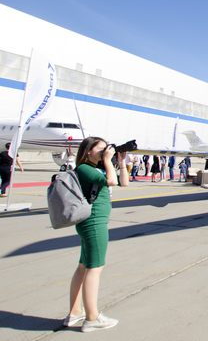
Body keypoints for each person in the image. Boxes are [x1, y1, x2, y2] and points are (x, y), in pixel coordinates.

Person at [64, 137, 128, 332]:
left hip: (94, 222)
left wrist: (122, 162)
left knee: (84, 266)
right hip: (93, 223)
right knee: (95, 268)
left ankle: (75, 312)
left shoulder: (96, 168)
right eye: (101, 149)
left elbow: (123, 183)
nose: (104, 152)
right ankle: (92, 318)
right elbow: (111, 181)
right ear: (88, 151)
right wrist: (108, 161)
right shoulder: (84, 168)